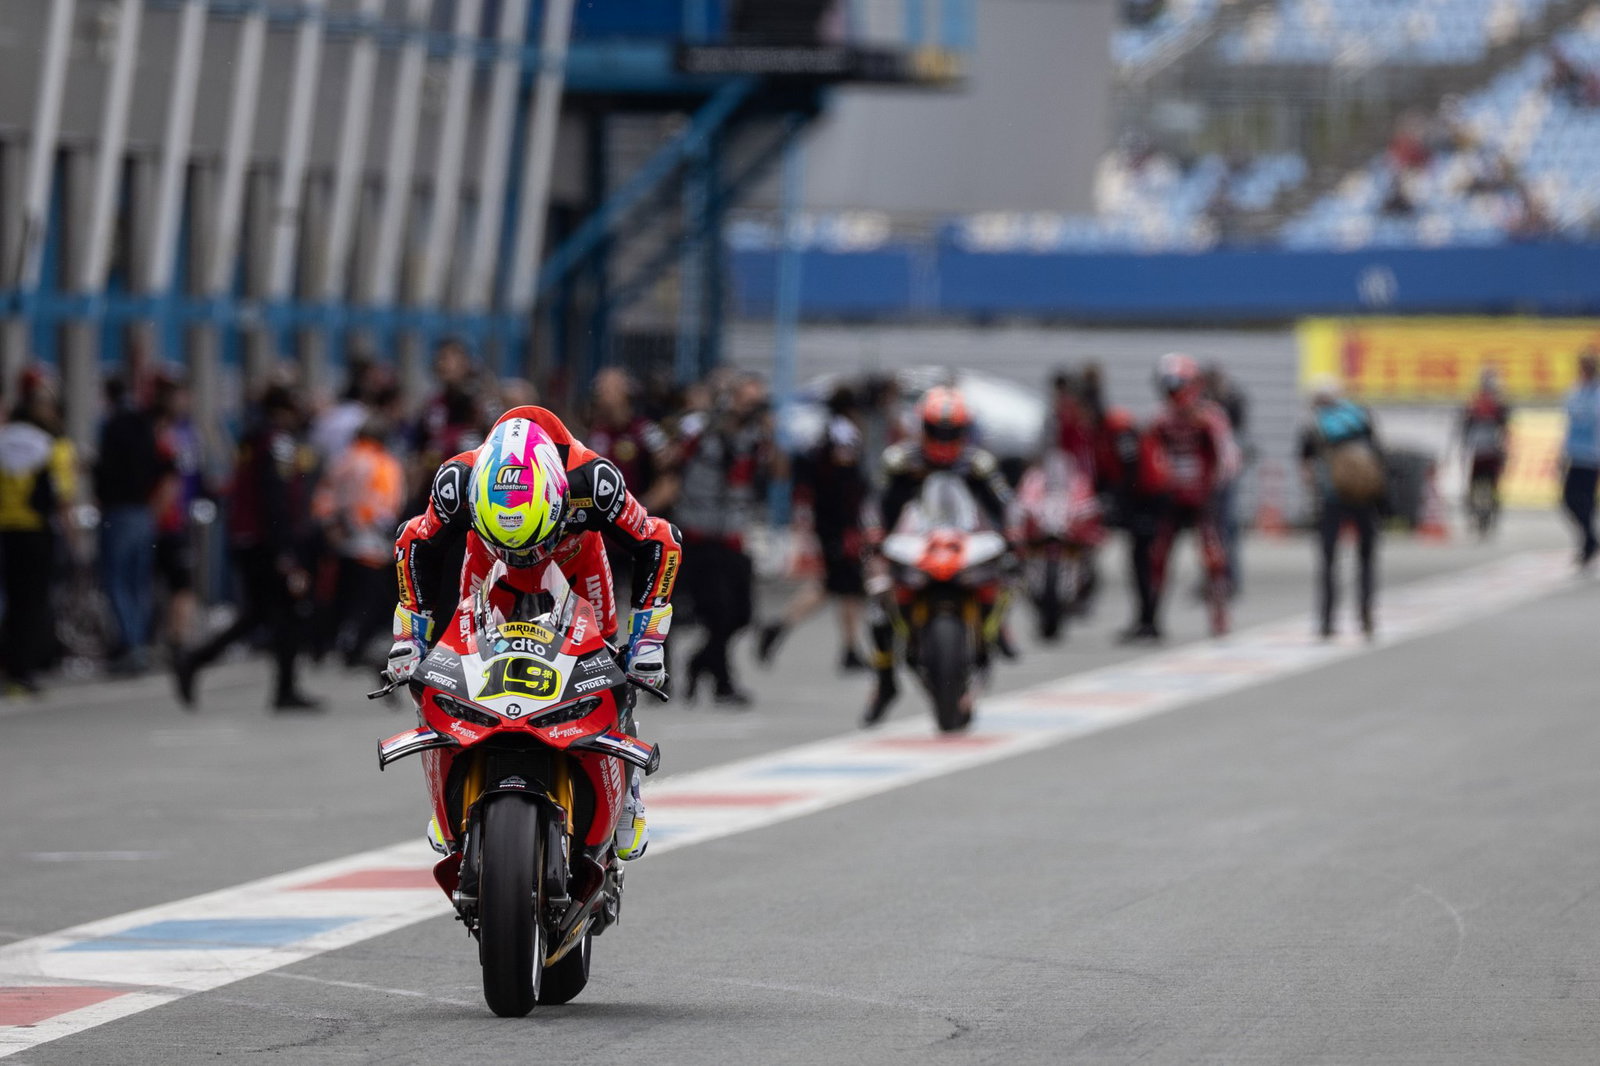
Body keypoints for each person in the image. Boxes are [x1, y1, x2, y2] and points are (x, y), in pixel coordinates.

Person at [386, 407, 681, 862]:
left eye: (529, 543)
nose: (524, 557)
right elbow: (413, 543)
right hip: (487, 565)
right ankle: (448, 788)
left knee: (611, 667)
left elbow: (659, 540)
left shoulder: (594, 480)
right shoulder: (455, 481)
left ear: (560, 499)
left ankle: (629, 791)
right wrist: (410, 638)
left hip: (575, 563)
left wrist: (646, 640)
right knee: (449, 665)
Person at [862, 385, 1015, 726]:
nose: (944, 439)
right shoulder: (899, 461)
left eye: (951, 431)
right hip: (914, 542)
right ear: (923, 427)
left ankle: (995, 632)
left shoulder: (979, 463)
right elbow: (875, 504)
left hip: (965, 541)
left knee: (1009, 575)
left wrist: (1013, 536)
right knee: (877, 597)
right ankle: (885, 680)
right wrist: (873, 535)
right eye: (937, 430)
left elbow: (1005, 504)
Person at [174, 385, 322, 710]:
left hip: (249, 537)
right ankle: (283, 689)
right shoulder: (276, 442)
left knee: (261, 614)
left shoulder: (254, 439)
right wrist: (285, 550)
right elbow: (275, 497)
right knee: (287, 612)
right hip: (267, 541)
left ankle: (197, 660)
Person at [674, 375, 779, 707]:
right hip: (698, 533)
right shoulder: (700, 428)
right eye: (748, 401)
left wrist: (771, 435)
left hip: (733, 534)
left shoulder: (756, 437)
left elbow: (779, 473)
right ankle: (722, 683)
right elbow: (668, 462)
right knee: (717, 612)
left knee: (742, 614)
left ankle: (700, 662)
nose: (752, 409)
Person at [757, 384, 869, 670]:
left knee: (842, 586)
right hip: (840, 524)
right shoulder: (843, 433)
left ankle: (849, 648)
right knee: (841, 584)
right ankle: (781, 627)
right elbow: (844, 482)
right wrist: (850, 524)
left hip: (833, 522)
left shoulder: (825, 430)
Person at [1128, 353, 1238, 642]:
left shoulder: (1210, 417)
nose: (1172, 393)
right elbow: (1146, 456)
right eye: (1167, 387)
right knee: (1158, 556)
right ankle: (1151, 617)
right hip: (1171, 497)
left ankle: (1219, 614)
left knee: (1213, 556)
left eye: (1176, 386)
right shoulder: (1159, 419)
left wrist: (1214, 486)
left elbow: (1228, 456)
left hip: (1203, 498)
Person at [0, 369, 77, 694]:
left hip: (6, 531)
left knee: (11, 601)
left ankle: (10, 665)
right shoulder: (53, 446)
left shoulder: (4, 438)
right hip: (36, 532)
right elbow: (63, 498)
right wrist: (74, 541)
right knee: (32, 603)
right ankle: (23, 671)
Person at [312, 419, 405, 669]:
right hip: (371, 545)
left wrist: (332, 526)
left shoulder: (342, 460)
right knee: (371, 602)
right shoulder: (384, 463)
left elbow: (324, 498)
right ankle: (353, 648)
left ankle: (325, 646)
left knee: (341, 598)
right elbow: (386, 506)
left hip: (341, 542)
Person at [1299, 379, 1385, 639]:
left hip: (1332, 497)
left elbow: (1306, 468)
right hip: (1364, 495)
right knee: (1366, 556)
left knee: (1328, 560)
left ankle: (1327, 620)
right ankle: (1366, 613)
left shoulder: (1314, 425)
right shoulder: (1361, 416)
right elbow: (1379, 453)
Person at [94, 376, 168, 674]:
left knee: (117, 580)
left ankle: (131, 644)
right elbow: (159, 466)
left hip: (120, 510)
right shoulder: (144, 426)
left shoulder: (114, 425)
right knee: (138, 582)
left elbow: (106, 469)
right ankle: (140, 643)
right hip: (142, 511)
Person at [151, 372, 204, 655]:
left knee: (181, 583)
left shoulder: (188, 431)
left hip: (179, 519)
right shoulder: (162, 433)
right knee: (176, 583)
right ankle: (173, 639)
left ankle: (177, 637)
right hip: (165, 520)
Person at [1560, 350, 1600, 569]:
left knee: (1585, 501)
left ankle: (1588, 545)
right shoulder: (1575, 392)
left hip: (1592, 456)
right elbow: (1568, 424)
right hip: (1574, 454)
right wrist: (1562, 452)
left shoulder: (1597, 394)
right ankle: (1590, 540)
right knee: (1568, 500)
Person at [1459, 368, 1511, 536]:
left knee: (1485, 485)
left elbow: (1505, 428)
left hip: (1487, 451)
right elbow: (1465, 426)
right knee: (1479, 485)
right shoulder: (1478, 403)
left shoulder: (1496, 404)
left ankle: (1486, 514)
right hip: (1483, 451)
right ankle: (1480, 513)